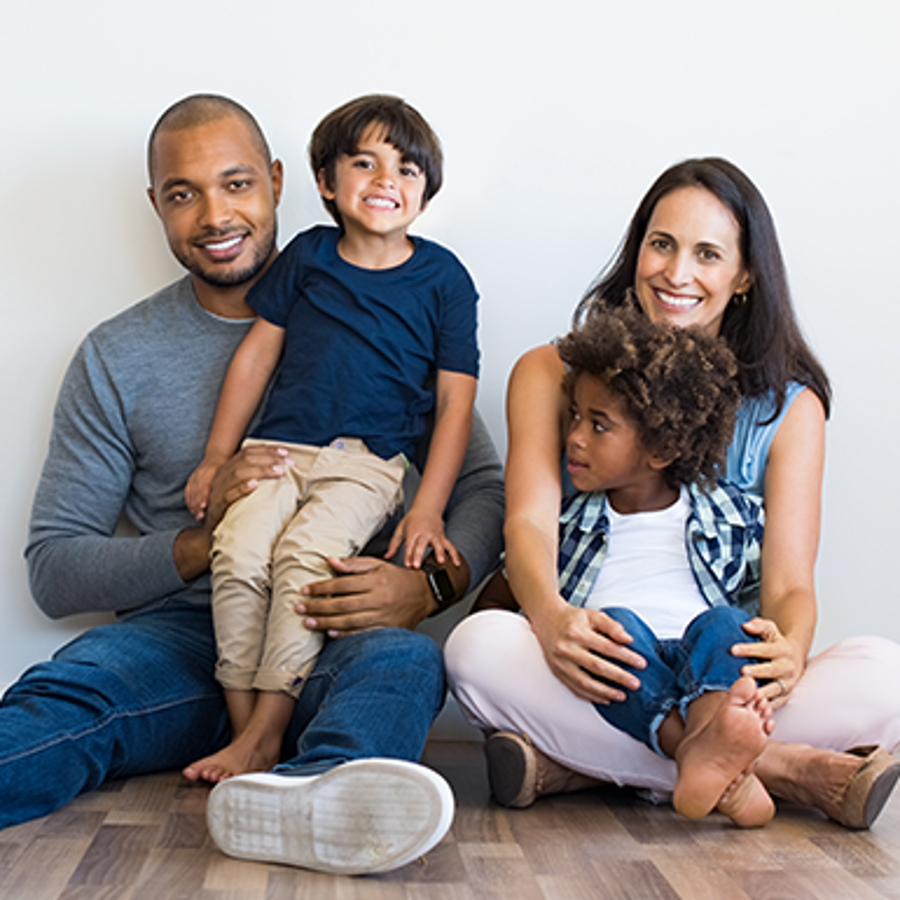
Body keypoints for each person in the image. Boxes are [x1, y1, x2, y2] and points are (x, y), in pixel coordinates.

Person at [3, 94, 505, 877]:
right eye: (183, 193)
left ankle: (298, 796)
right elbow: (55, 570)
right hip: (180, 640)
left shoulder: (386, 310)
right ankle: (272, 770)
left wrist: (425, 589)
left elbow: (480, 486)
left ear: (276, 182)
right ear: (156, 206)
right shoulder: (115, 356)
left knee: (404, 668)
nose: (213, 214)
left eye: (236, 183)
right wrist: (213, 540)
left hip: (334, 621)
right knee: (68, 694)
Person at [446, 157, 900, 829]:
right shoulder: (551, 373)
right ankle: (791, 770)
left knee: (885, 674)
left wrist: (791, 651)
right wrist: (551, 618)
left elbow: (790, 585)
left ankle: (580, 767)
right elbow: (530, 527)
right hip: (600, 658)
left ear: (744, 276)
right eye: (661, 244)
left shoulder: (788, 409)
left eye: (708, 254)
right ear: (637, 250)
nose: (676, 273)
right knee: (476, 647)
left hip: (718, 671)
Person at [182, 95, 479, 785]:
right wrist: (217, 457)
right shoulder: (308, 256)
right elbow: (255, 356)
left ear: (426, 194)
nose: (385, 180)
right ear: (325, 182)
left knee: (303, 558)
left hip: (365, 464)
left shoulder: (444, 280)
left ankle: (268, 733)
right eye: (364, 163)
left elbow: (456, 404)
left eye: (407, 169)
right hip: (278, 450)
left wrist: (428, 506)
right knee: (239, 550)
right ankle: (244, 731)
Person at [553, 306, 776, 827]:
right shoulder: (565, 522)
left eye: (598, 425)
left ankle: (708, 734)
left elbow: (766, 600)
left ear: (663, 447)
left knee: (724, 624)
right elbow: (511, 592)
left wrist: (778, 650)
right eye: (574, 417)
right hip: (627, 666)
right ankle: (705, 760)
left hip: (702, 666)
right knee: (616, 627)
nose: (575, 437)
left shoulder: (727, 513)